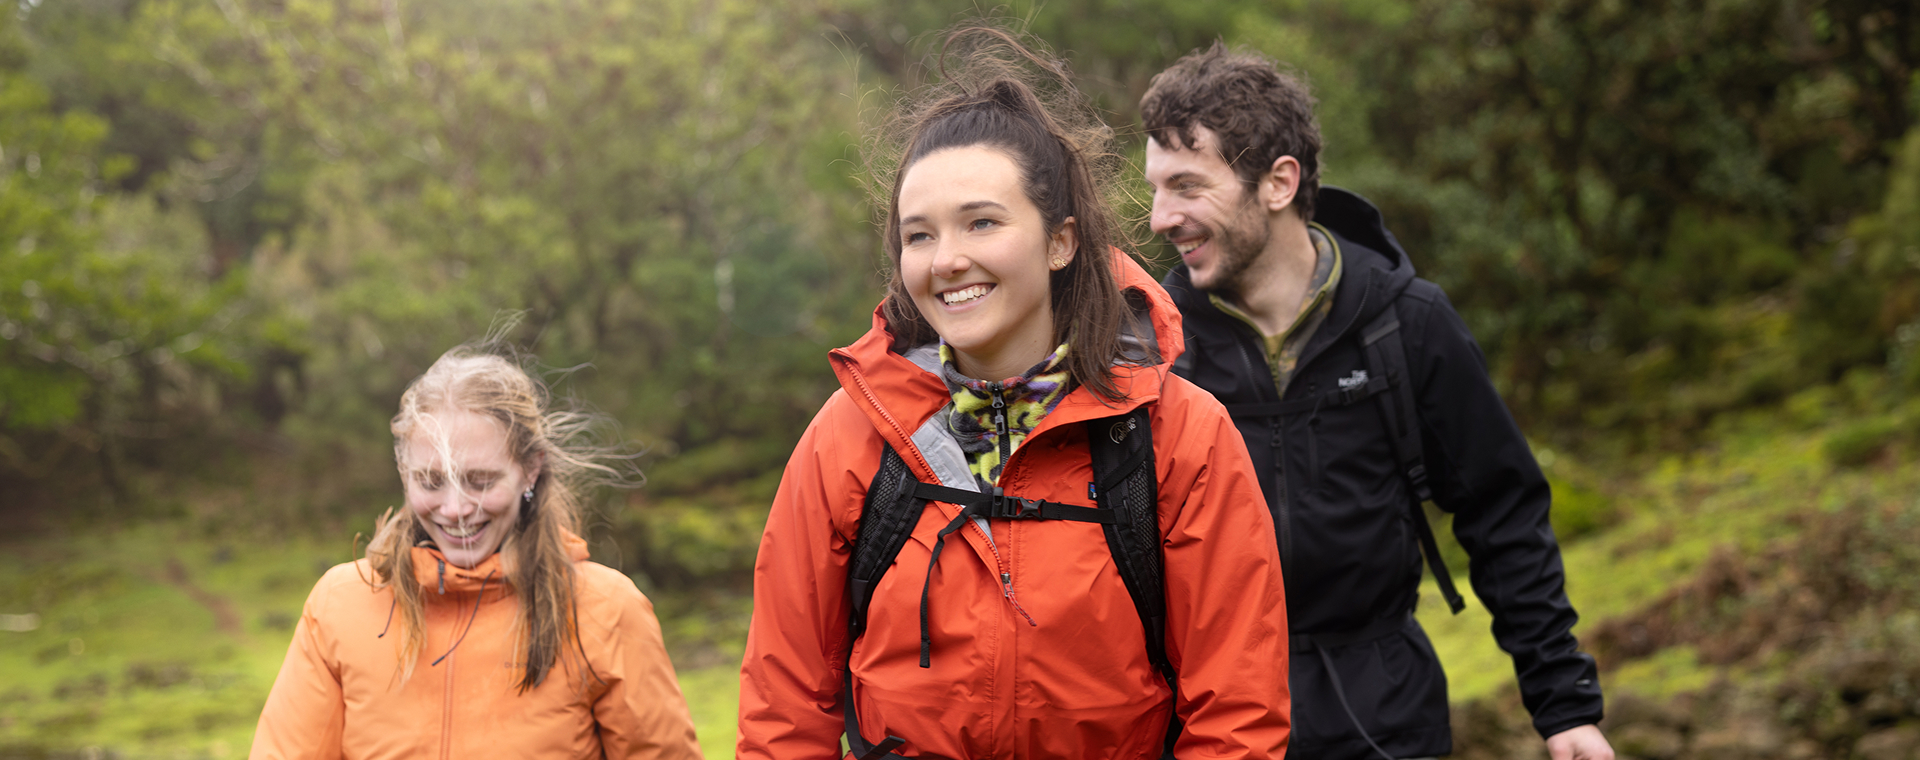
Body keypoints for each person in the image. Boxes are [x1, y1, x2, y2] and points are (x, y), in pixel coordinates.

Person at [737, 29, 1290, 760]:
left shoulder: (1181, 436)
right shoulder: (848, 437)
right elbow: (784, 711)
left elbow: (1238, 716)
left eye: (982, 222)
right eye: (920, 235)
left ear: (1060, 241)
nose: (948, 260)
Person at [1140, 44, 1615, 760]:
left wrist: (1564, 707)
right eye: (1156, 188)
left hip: (1388, 716)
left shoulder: (1407, 323)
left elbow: (1503, 514)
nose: (1159, 217)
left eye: (1186, 186)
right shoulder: (1151, 348)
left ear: (1277, 183)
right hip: (1210, 721)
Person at [249, 348, 701, 759]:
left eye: (481, 481)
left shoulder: (606, 610)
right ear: (403, 472)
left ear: (530, 469)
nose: (456, 509)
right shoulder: (340, 604)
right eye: (430, 482)